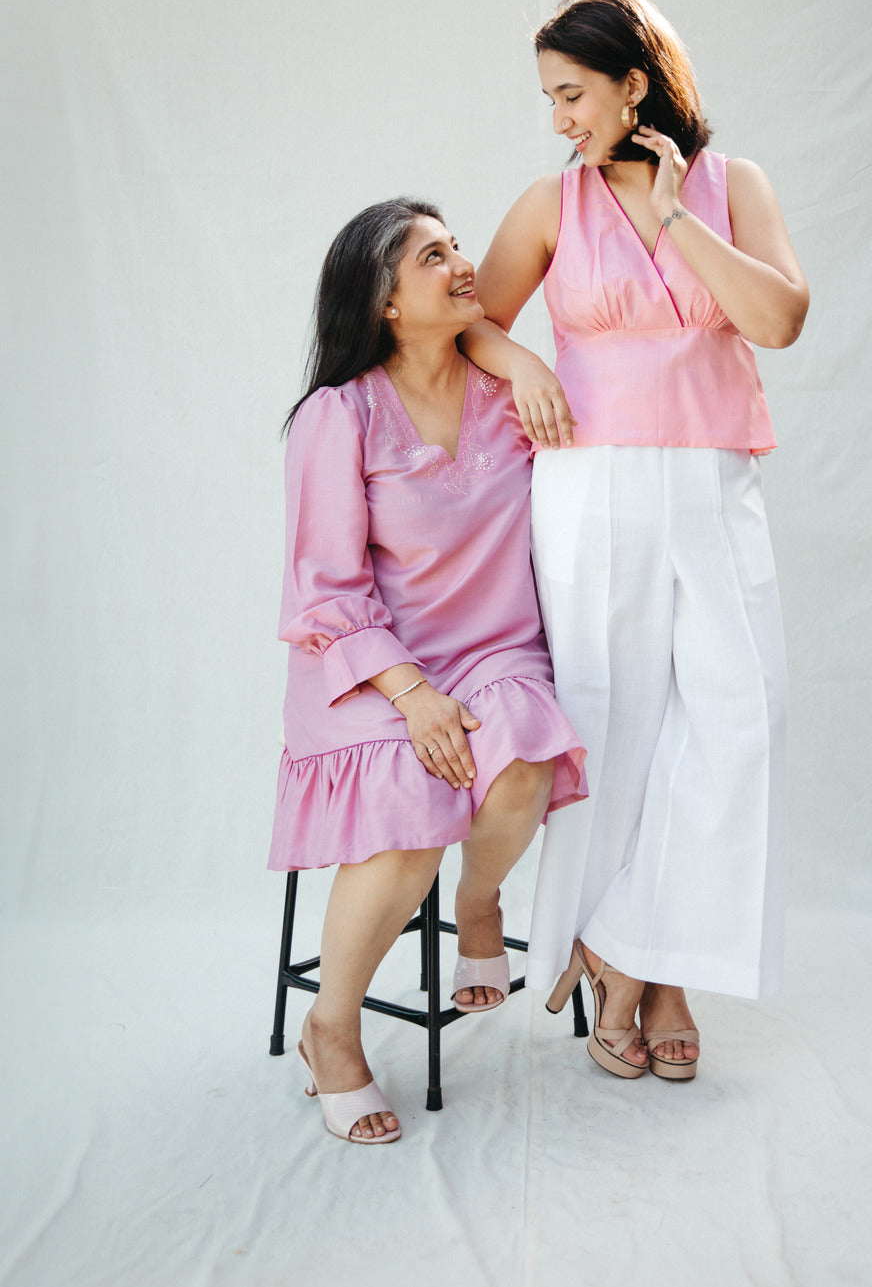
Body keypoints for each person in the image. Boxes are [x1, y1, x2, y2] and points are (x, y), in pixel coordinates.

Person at [460, 0, 808, 1082]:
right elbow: (470, 316)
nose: (560, 117)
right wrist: (519, 360)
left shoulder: (732, 186)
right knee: (611, 721)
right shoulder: (550, 203)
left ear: (634, 85)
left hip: (711, 477)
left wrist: (669, 214)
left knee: (742, 714)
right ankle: (642, 974)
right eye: (550, 98)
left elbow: (779, 320)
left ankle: (637, 943)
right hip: (593, 483)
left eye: (572, 94)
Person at [270, 198, 586, 1142]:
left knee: (523, 760)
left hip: (494, 649)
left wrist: (520, 354)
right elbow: (325, 588)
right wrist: (410, 695)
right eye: (431, 257)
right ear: (385, 305)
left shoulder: (509, 398)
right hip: (368, 665)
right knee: (412, 810)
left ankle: (479, 904)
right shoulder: (339, 416)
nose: (461, 264)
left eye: (456, 246)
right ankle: (331, 1030)